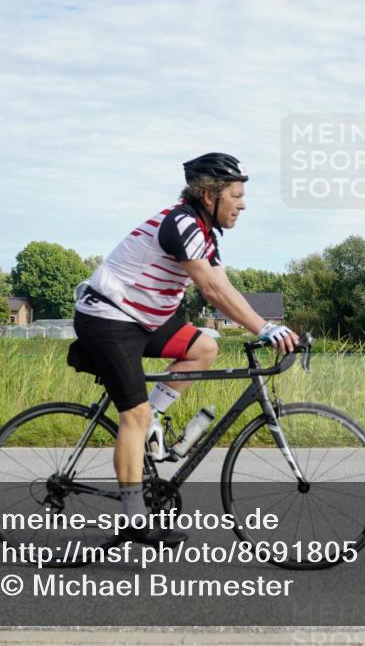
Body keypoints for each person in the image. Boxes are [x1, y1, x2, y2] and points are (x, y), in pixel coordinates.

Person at [71, 152, 299, 546]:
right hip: (108, 319)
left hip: (143, 321)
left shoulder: (205, 235)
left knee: (204, 348)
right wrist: (264, 329)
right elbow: (210, 291)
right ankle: (133, 516)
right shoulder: (181, 223)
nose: (243, 204)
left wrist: (270, 327)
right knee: (134, 416)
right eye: (237, 194)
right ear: (210, 194)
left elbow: (223, 286)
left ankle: (152, 423)